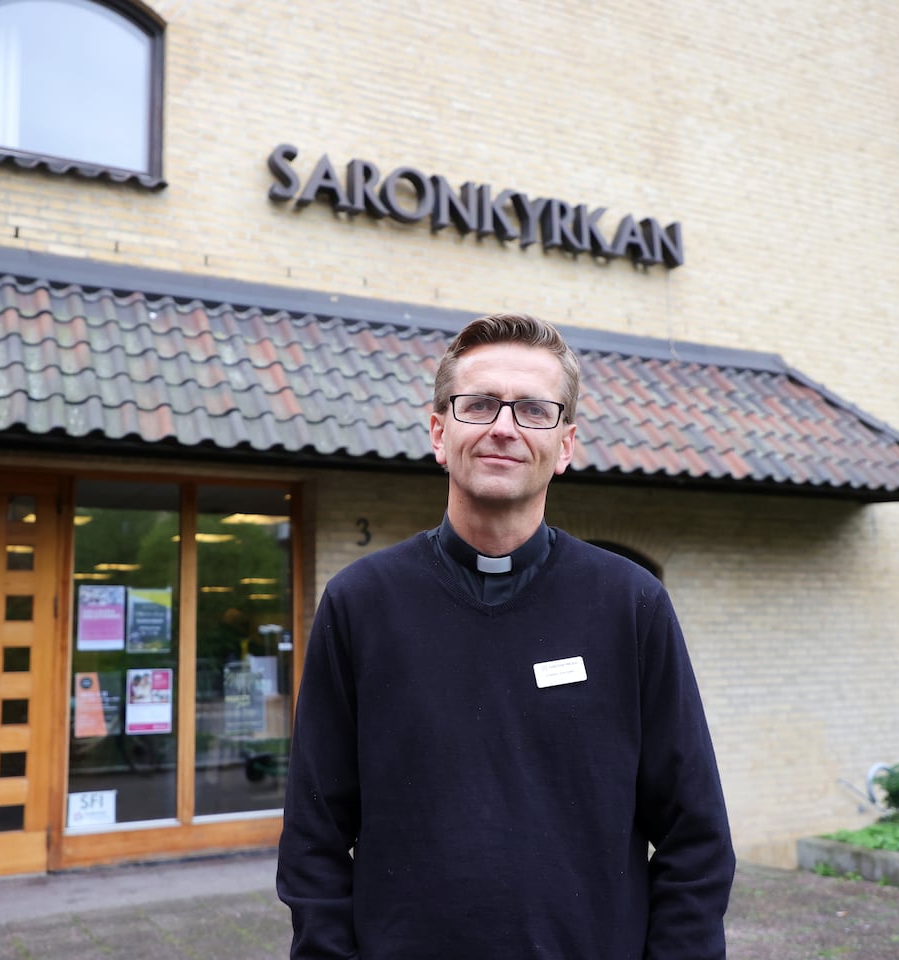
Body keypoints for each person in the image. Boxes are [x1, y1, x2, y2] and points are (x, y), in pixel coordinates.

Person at [277, 312, 735, 959]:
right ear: (439, 432)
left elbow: (697, 836)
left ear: (566, 445)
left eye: (533, 410)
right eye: (480, 404)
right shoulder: (361, 604)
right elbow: (314, 835)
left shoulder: (632, 605)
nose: (503, 428)